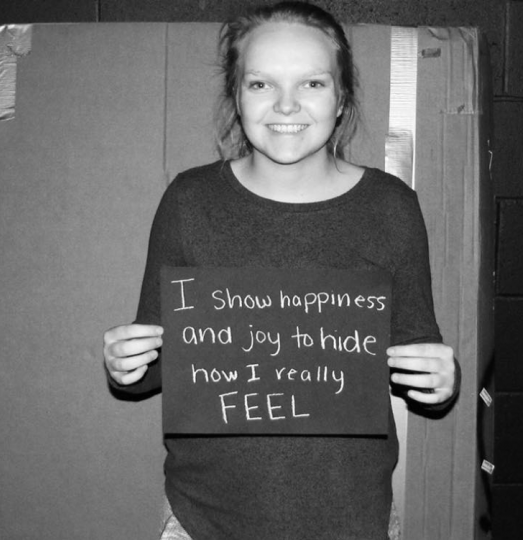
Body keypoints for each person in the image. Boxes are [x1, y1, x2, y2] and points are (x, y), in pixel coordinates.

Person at [103, 2, 460, 538]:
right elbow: (163, 366)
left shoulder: (391, 207)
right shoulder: (189, 201)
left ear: (342, 98)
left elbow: (416, 353)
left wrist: (440, 381)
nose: (286, 105)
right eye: (261, 84)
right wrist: (126, 366)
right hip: (204, 521)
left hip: (350, 519)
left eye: (313, 83)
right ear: (237, 95)